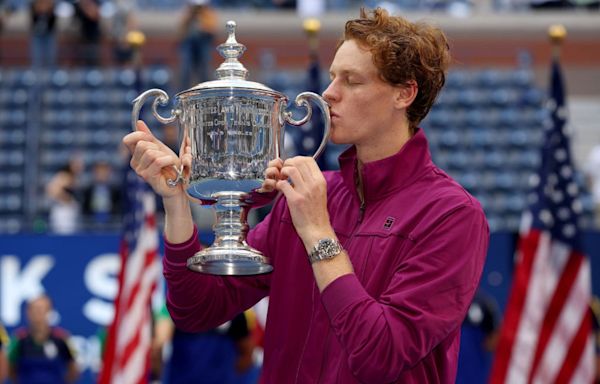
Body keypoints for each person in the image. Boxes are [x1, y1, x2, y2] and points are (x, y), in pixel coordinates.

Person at [124, 8, 489, 383]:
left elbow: (382, 354)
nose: (329, 93)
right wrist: (175, 202)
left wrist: (318, 231)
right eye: (332, 77)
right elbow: (196, 309)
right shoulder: (310, 197)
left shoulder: (452, 214)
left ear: (404, 93)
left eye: (352, 81)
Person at [7, 295, 79, 383]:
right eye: (34, 310)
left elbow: (73, 368)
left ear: (49, 312)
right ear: (28, 312)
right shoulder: (19, 339)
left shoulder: (62, 338)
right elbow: (9, 368)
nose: (37, 314)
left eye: (41, 310)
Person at [177, 0, 218, 88]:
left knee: (204, 69)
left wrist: (201, 21)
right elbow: (182, 29)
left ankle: (206, 89)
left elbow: (211, 29)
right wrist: (191, 17)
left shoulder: (208, 14)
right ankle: (184, 90)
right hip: (189, 44)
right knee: (186, 69)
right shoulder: (187, 14)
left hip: (203, 44)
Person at [45, 155, 84, 234]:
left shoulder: (75, 177)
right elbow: (50, 190)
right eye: (76, 165)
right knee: (63, 235)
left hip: (71, 211)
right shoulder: (64, 175)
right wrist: (66, 198)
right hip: (63, 211)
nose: (79, 167)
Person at [81, 161, 121, 230]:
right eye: (99, 171)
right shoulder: (88, 189)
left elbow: (118, 207)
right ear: (95, 172)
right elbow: (84, 208)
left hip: (111, 223)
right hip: (91, 223)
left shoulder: (115, 189)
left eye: (104, 171)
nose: (102, 174)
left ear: (108, 172)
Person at [29, 0, 57, 69]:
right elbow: (38, 9)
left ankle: (51, 77)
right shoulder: (33, 4)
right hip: (37, 35)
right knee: (37, 60)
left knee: (50, 59)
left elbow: (49, 8)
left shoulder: (52, 4)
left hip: (49, 34)